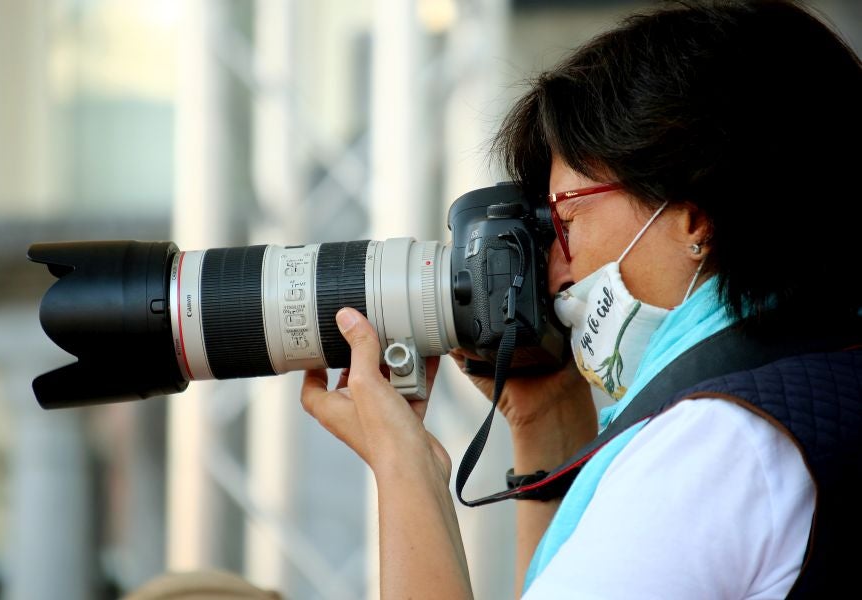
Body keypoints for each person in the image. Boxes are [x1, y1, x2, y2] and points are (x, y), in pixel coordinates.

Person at [300, 1, 862, 598]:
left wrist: (404, 463)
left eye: (565, 221)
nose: (553, 273)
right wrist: (546, 420)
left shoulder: (715, 447)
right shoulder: (817, 379)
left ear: (693, 219)